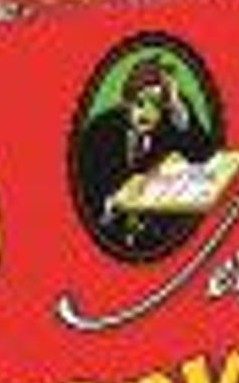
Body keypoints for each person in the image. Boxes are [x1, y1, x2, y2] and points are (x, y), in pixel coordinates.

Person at [75, 54, 215, 258]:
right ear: (127, 101)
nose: (148, 113)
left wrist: (177, 104)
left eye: (157, 104)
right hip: (106, 235)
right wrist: (110, 205)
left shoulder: (170, 126)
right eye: (141, 102)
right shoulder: (99, 132)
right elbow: (84, 189)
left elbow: (205, 157)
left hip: (155, 238)